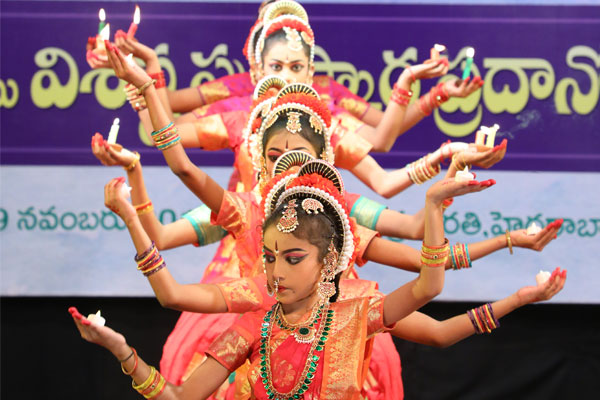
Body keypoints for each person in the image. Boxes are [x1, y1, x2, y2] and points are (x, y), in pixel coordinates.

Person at [70, 151, 492, 399]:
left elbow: (429, 286)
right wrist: (122, 352)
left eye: (292, 259)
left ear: (329, 259)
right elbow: (179, 395)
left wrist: (433, 206)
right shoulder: (255, 320)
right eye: (269, 258)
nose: (275, 272)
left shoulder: (358, 309)